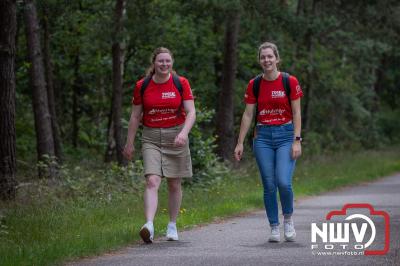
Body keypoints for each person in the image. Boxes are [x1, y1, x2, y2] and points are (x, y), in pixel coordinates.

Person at [123, 47, 196, 243]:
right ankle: (149, 225)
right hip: (151, 137)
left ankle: (172, 225)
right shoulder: (143, 85)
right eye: (160, 61)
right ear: (154, 63)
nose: (164, 64)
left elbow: (191, 112)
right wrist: (129, 143)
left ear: (172, 63)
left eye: (168, 61)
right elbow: (135, 116)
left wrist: (183, 133)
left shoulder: (181, 83)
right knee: (152, 181)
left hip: (176, 135)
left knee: (174, 182)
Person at [234, 42, 303, 242]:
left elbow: (297, 111)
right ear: (260, 60)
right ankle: (274, 226)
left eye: (270, 56)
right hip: (262, 137)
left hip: (286, 135)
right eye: (263, 57)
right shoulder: (255, 84)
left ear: (277, 58)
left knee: (283, 181)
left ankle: (288, 219)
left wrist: (297, 140)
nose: (266, 60)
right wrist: (240, 142)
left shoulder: (289, 81)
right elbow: (248, 115)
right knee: (269, 184)